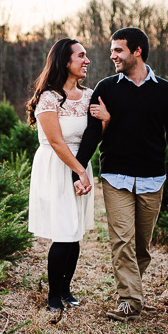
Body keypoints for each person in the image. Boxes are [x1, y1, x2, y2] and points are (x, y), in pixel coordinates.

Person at [73, 27, 168, 322]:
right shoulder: (106, 88)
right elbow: (92, 132)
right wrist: (78, 168)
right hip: (116, 177)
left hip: (152, 178)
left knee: (140, 247)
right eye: (112, 51)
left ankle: (130, 288)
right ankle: (130, 302)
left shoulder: (165, 91)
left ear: (137, 51)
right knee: (121, 241)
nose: (112, 56)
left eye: (118, 50)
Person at [27, 38, 109, 312]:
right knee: (63, 232)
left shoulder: (88, 96)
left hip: (80, 165)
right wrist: (78, 171)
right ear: (65, 61)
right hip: (57, 166)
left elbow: (95, 135)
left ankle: (66, 290)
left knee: (74, 233)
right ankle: (52, 296)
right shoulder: (48, 98)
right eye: (81, 56)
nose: (87, 61)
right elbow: (57, 142)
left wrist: (106, 119)